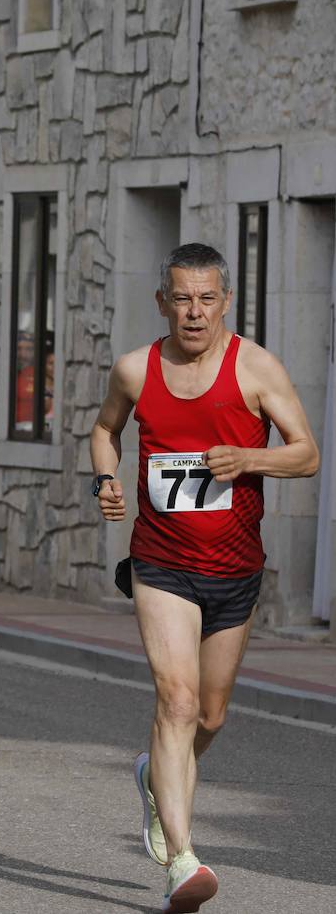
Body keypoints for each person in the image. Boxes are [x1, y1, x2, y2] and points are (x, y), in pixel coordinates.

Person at [90, 244, 319, 914]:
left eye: (207, 299)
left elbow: (305, 454)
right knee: (179, 702)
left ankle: (153, 779)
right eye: (182, 298)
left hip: (235, 569)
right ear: (163, 301)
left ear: (225, 302)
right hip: (160, 565)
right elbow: (104, 432)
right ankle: (182, 862)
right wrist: (106, 478)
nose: (194, 312)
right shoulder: (136, 369)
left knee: (211, 714)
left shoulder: (255, 367)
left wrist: (248, 457)